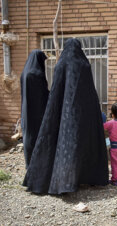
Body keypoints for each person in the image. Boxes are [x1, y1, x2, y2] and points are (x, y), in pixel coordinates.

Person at [23, 39, 109, 194]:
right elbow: (88, 91)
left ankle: (59, 180)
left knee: (61, 143)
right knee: (82, 142)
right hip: (83, 112)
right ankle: (87, 177)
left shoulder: (61, 64)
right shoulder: (83, 64)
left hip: (61, 112)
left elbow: (56, 90)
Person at [20, 50, 49, 168]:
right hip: (38, 111)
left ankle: (29, 165)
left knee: (28, 135)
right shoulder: (37, 74)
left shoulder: (25, 73)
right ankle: (38, 165)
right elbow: (42, 94)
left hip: (26, 110)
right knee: (37, 136)